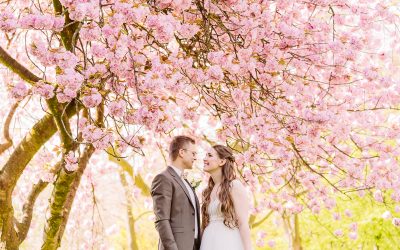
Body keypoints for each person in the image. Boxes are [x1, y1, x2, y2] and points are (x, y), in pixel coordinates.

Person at [151, 135, 201, 250]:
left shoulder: (186, 181)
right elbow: (162, 220)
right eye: (193, 153)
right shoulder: (164, 178)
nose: (195, 158)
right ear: (182, 152)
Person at [200, 145, 252, 250]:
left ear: (222, 162)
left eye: (209, 155)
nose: (204, 158)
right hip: (208, 241)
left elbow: (243, 223)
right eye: (205, 155)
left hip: (227, 241)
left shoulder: (234, 185)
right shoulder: (208, 190)